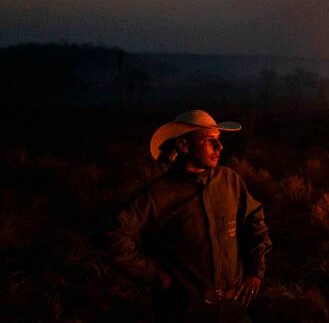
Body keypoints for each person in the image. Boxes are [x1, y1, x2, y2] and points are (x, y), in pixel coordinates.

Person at [104, 110, 271, 323]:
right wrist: (156, 275)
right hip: (185, 312)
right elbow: (111, 235)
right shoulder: (157, 195)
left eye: (219, 140)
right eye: (210, 141)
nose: (219, 147)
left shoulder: (229, 180)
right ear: (184, 146)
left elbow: (254, 220)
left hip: (233, 310)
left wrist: (256, 271)